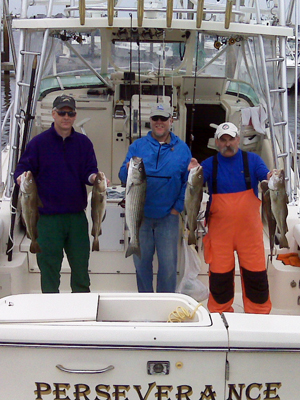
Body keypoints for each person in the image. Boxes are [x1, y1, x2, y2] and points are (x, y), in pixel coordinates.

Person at [14, 94, 99, 293]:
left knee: (81, 269)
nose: (66, 117)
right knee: (49, 270)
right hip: (47, 220)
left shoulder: (83, 144)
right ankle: (51, 311)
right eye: (61, 112)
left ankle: (81, 312)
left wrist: (95, 179)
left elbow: (89, 171)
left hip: (76, 218)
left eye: (70, 113)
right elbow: (22, 168)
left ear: (75, 115)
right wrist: (20, 177)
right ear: (53, 114)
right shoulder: (38, 143)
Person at [195, 121, 272, 314]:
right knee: (220, 278)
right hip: (220, 235)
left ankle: (259, 316)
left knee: (256, 276)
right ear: (216, 142)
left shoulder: (253, 161)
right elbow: (192, 186)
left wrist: (271, 178)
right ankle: (220, 315)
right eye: (223, 140)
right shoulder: (208, 165)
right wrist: (191, 171)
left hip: (250, 234)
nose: (227, 144)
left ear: (238, 140)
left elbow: (265, 177)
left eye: (231, 139)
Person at [119, 103, 192, 293]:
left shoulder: (183, 149)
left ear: (171, 121)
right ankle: (145, 301)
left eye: (163, 119)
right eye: (155, 119)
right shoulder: (137, 146)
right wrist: (126, 170)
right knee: (142, 265)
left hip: (169, 216)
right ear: (150, 121)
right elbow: (121, 175)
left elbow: (188, 182)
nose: (159, 123)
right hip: (139, 215)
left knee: (168, 267)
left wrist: (178, 207)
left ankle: (165, 304)